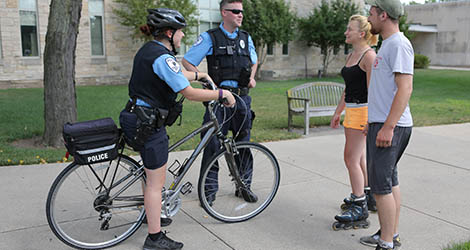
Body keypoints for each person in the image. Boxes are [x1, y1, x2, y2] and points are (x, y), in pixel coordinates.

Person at [119, 8, 235, 250]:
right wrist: (222, 93)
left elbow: (176, 74)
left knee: (148, 173)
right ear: (169, 33)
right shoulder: (162, 57)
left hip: (135, 118)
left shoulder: (150, 51)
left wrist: (199, 73)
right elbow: (189, 94)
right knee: (155, 183)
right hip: (148, 124)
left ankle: (150, 215)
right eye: (181, 32)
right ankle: (154, 238)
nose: (183, 37)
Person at [181, 0, 258, 205]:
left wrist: (252, 77)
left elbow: (254, 60)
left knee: (243, 143)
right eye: (235, 11)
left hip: (242, 100)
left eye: (241, 11)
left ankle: (244, 186)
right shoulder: (210, 37)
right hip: (219, 100)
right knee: (212, 145)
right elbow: (187, 62)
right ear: (224, 13)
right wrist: (205, 80)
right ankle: (208, 193)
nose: (240, 15)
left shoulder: (245, 38)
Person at [359, 1, 414, 249]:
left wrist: (388, 127)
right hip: (381, 124)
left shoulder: (399, 44)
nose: (368, 18)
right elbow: (384, 91)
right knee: (389, 182)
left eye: (371, 14)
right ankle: (390, 233)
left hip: (391, 126)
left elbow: (405, 88)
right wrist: (373, 122)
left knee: (380, 188)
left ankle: (386, 243)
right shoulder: (387, 45)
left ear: (384, 14)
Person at [330, 15, 378, 230]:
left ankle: (359, 205)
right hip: (351, 110)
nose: (345, 32)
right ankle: (367, 195)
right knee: (357, 158)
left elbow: (374, 92)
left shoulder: (369, 56)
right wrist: (338, 112)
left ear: (361, 33)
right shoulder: (352, 55)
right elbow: (348, 88)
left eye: (349, 29)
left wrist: (371, 119)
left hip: (362, 112)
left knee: (350, 159)